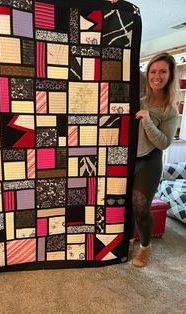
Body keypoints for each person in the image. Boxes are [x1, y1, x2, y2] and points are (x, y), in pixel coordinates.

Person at [110, 1, 179, 267]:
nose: (156, 76)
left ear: (170, 75)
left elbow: (162, 143)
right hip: (128, 154)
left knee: (140, 205)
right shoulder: (141, 89)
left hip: (150, 159)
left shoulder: (170, 110)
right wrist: (116, 14)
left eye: (163, 72)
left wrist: (148, 120)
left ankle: (146, 247)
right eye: (153, 71)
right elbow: (126, 57)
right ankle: (127, 241)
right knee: (122, 202)